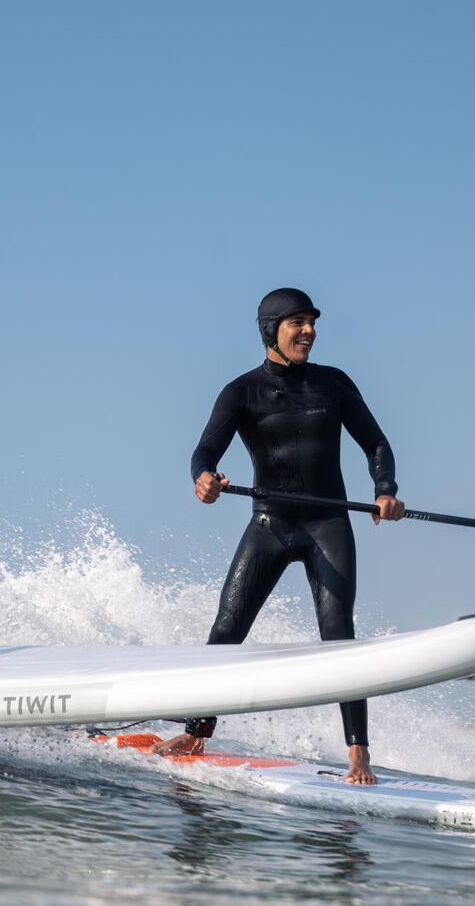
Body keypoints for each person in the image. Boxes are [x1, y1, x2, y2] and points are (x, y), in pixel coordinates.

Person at [153, 288, 404, 784]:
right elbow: (204, 453)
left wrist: (385, 490)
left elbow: (375, 441)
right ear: (271, 330)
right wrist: (204, 479)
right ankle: (197, 731)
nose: (308, 331)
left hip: (327, 525)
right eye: (296, 323)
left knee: (338, 637)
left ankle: (358, 753)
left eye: (311, 322)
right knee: (226, 630)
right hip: (269, 526)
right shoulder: (241, 391)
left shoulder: (333, 384)